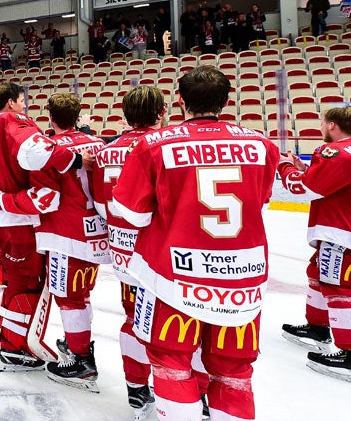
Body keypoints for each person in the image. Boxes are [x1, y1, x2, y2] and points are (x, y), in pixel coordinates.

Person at [109, 66, 279, 421]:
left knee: (171, 363)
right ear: (227, 101)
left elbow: (131, 213)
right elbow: (260, 202)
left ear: (180, 102)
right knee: (233, 374)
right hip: (242, 277)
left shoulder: (153, 145)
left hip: (172, 277)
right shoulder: (261, 144)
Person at [0, 82, 87, 372]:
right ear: (10, 103)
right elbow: (39, 153)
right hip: (12, 221)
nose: (24, 106)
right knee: (25, 280)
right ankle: (14, 347)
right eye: (21, 100)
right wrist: (77, 159)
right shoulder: (15, 123)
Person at [91, 85, 166, 418]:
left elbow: (98, 203)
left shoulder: (106, 152)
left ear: (125, 116)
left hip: (122, 250)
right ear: (162, 113)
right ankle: (185, 392)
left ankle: (137, 388)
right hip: (161, 252)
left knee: (134, 319)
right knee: (179, 322)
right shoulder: (164, 146)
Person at [32, 93, 109, 392]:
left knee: (69, 298)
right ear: (78, 116)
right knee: (83, 293)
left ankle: (81, 361)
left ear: (51, 118)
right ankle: (79, 342)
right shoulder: (99, 144)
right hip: (96, 231)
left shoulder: (50, 150)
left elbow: (45, 198)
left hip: (67, 234)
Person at [278, 106, 351, 381]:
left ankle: (348, 353)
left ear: (332, 125)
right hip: (342, 229)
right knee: (318, 274)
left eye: (322, 122)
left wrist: (284, 167)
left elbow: (304, 189)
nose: (321, 127)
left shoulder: (334, 152)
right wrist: (308, 169)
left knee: (338, 287)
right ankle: (317, 327)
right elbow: (338, 182)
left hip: (340, 232)